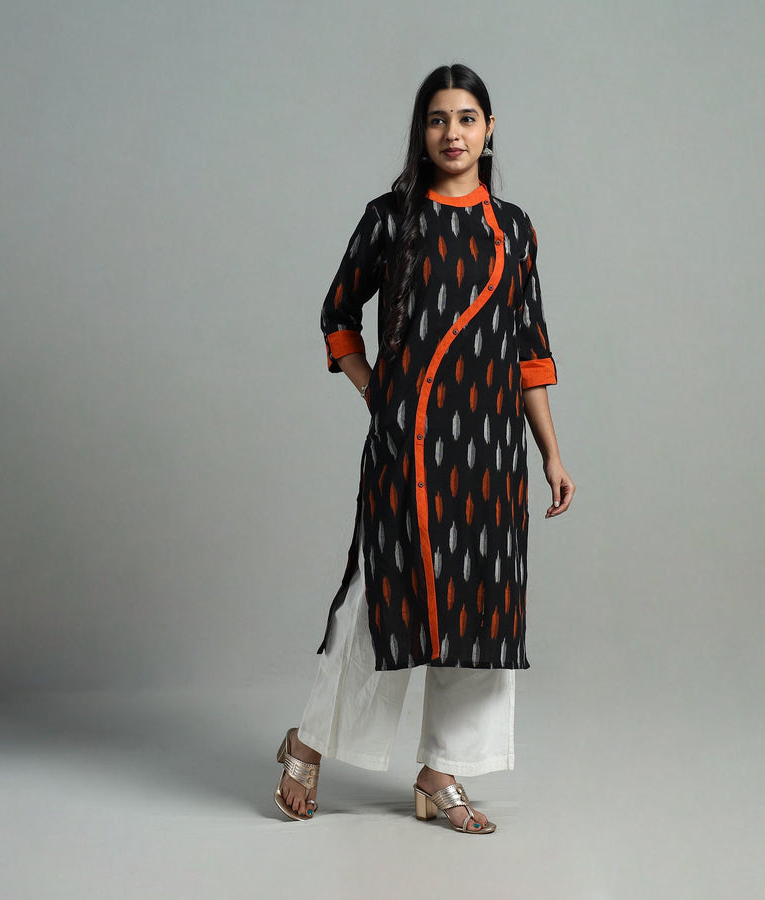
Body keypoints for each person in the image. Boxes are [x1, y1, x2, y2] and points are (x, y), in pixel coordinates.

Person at [274, 63, 575, 834]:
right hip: (408, 449)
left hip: (490, 452)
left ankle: (442, 773)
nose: (452, 133)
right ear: (423, 131)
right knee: (383, 600)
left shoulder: (514, 229)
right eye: (438, 119)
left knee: (484, 608)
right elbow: (339, 315)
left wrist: (550, 453)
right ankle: (308, 742)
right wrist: (375, 392)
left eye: (467, 118)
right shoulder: (390, 219)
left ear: (489, 129)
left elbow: (529, 348)